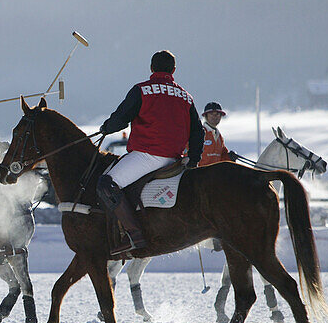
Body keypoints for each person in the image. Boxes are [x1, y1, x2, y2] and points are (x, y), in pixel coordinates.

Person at [97, 50, 204, 255]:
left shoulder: (142, 90)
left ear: (151, 68)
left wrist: (106, 128)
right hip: (174, 160)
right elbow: (197, 131)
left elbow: (121, 119)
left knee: (106, 184)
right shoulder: (185, 96)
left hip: (148, 156)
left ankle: (133, 233)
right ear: (173, 70)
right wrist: (194, 159)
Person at [198, 101, 239, 166]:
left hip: (215, 174)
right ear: (206, 116)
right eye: (211, 114)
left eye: (217, 114)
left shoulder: (219, 136)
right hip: (199, 173)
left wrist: (230, 157)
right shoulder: (199, 132)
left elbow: (222, 157)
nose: (215, 116)